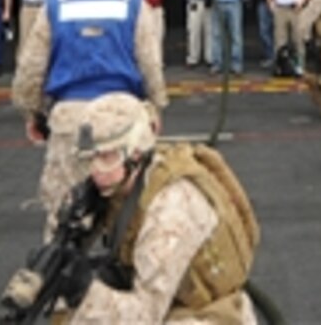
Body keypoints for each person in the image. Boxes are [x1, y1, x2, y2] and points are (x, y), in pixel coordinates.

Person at [44, 92, 259, 323]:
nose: (96, 169)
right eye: (91, 157)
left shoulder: (170, 209)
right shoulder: (123, 182)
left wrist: (83, 290)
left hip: (207, 315)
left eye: (107, 156)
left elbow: (145, 316)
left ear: (136, 152)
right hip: (171, 303)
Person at [12, 0, 168, 240]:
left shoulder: (57, 1)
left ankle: (60, 281)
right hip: (123, 118)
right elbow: (150, 62)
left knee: (64, 215)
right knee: (133, 217)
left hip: (72, 119)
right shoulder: (132, 0)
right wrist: (156, 106)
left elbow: (30, 67)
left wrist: (31, 112)